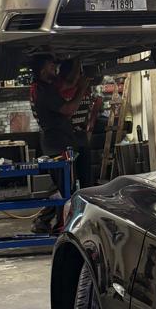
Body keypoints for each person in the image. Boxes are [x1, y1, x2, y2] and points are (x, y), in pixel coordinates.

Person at [30, 55, 91, 234]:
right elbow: (68, 109)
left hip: (57, 143)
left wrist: (77, 59)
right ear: (43, 70)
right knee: (64, 187)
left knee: (62, 185)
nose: (55, 69)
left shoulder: (43, 86)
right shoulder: (43, 91)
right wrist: (82, 88)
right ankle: (52, 222)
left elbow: (68, 83)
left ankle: (46, 221)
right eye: (51, 66)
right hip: (57, 145)